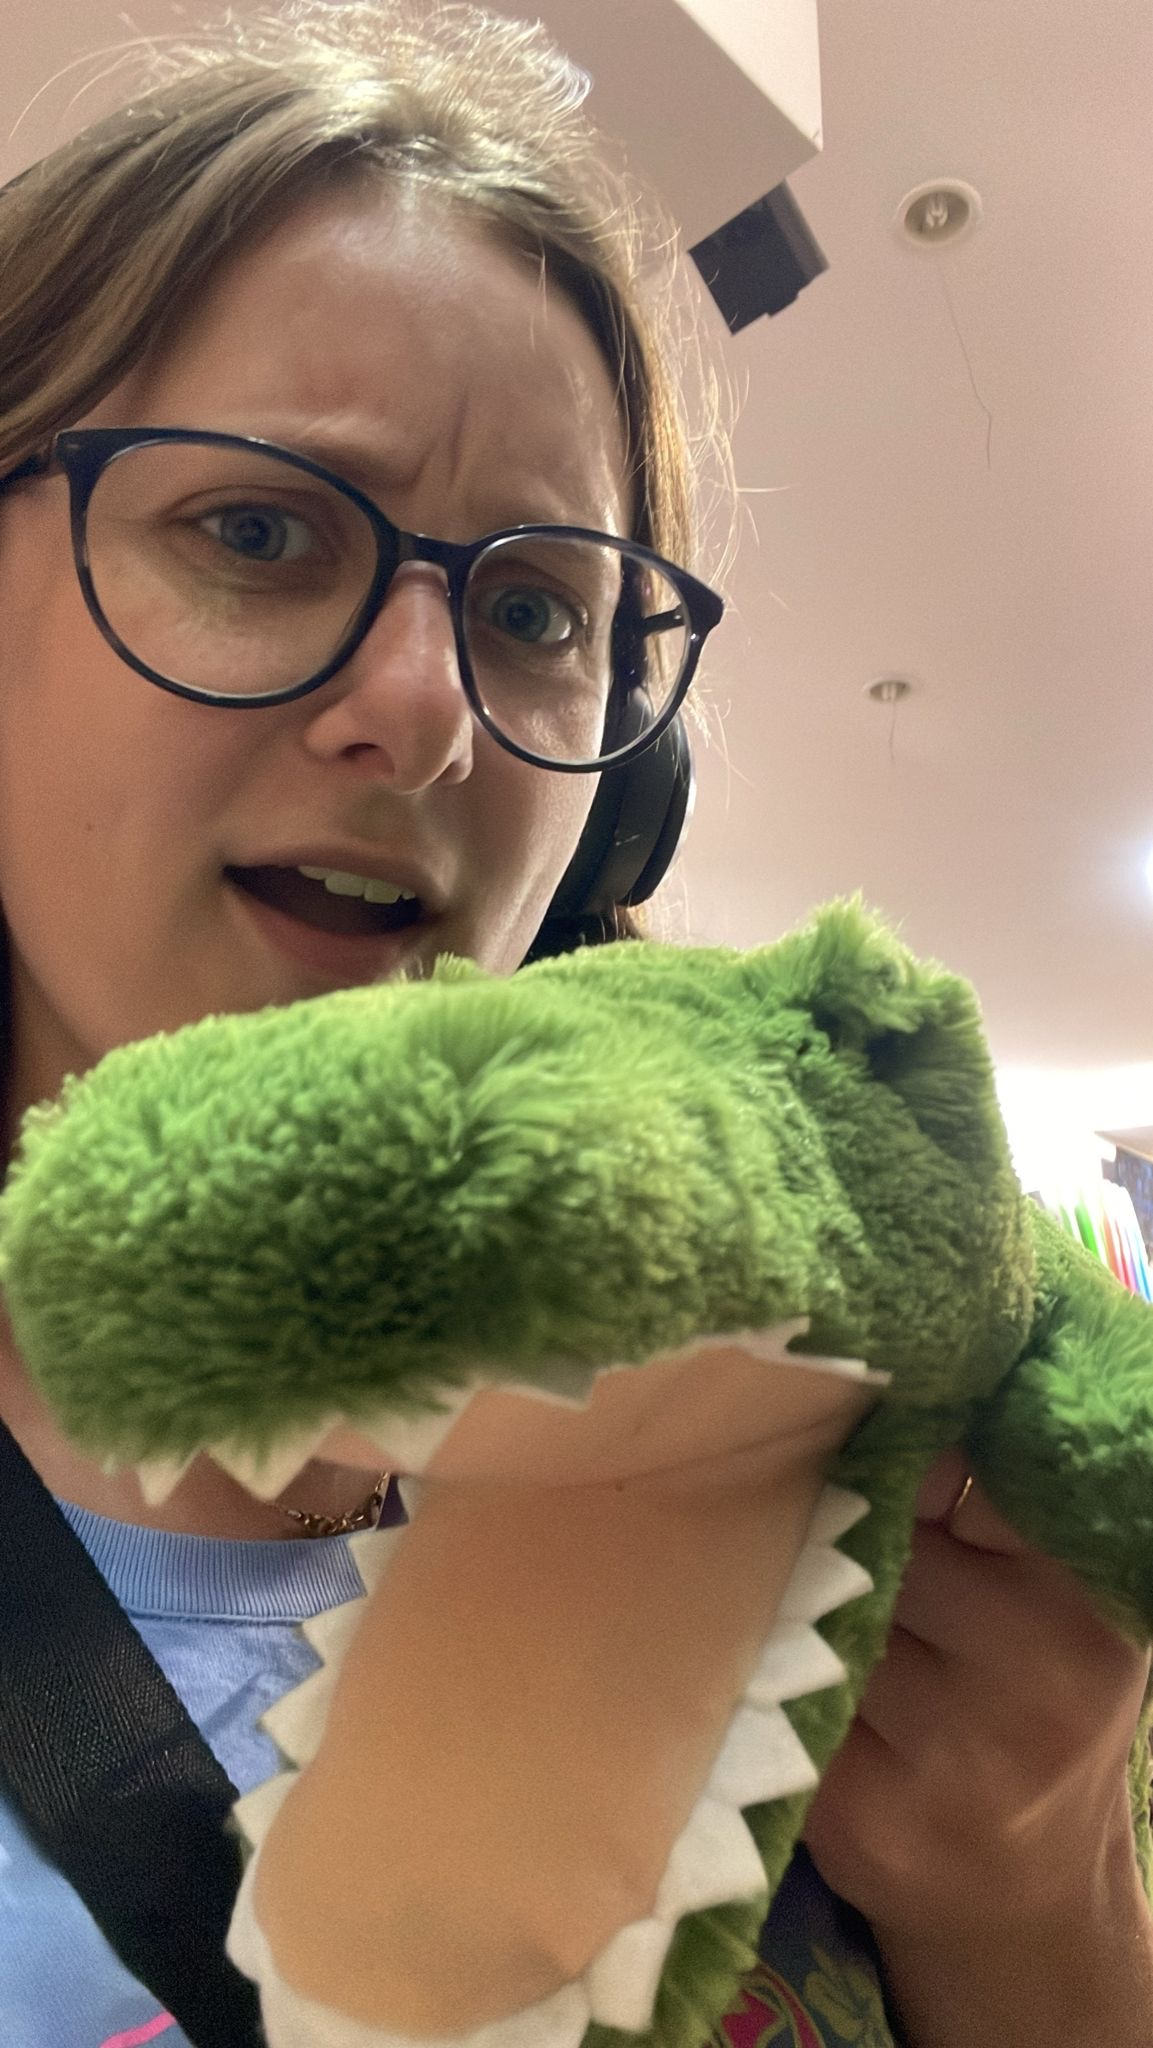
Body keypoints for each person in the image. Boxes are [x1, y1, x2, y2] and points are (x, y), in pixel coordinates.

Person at [0, 6, 1148, 2045]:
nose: (431, 710)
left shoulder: (809, 1416)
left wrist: (1032, 1888)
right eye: (258, 530)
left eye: (534, 610)